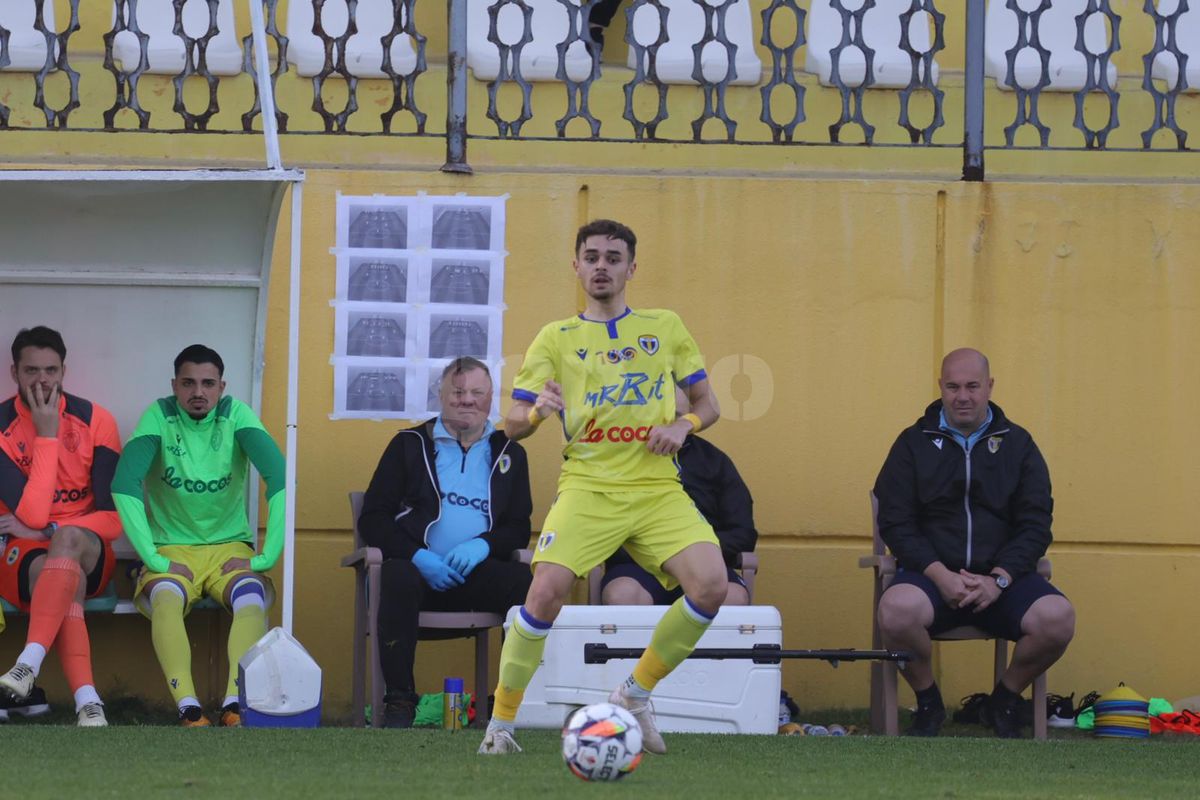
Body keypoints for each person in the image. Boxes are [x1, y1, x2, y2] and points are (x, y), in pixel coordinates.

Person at [478, 218, 726, 756]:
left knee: (711, 585)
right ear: (576, 266)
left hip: (656, 488)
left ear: (631, 268)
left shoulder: (665, 326)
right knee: (543, 594)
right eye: (591, 257)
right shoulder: (556, 337)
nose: (601, 266)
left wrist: (684, 426)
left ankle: (635, 693)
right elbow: (513, 423)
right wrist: (539, 412)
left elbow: (709, 404)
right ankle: (500, 728)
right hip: (588, 485)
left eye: (613, 258)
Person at [873, 348, 1076, 738]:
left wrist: (998, 578)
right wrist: (940, 574)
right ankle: (929, 703)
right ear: (940, 388)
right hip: (930, 581)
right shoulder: (912, 444)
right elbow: (895, 522)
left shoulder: (1019, 445)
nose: (962, 396)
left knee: (1058, 618)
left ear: (989, 387)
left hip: (1003, 584)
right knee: (895, 612)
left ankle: (1003, 700)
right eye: (952, 386)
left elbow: (1036, 524)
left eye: (972, 386)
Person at [112, 344, 286, 727]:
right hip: (172, 549)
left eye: (208, 383)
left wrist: (264, 559)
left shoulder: (236, 414)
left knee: (251, 596)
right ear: (174, 385)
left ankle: (234, 704)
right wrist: (155, 560)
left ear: (222, 386)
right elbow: (124, 484)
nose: (198, 392)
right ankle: (188, 707)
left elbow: (279, 478)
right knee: (166, 597)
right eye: (188, 382)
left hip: (229, 548)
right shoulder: (159, 415)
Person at [358, 357, 533, 728]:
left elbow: (518, 527)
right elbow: (373, 518)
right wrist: (419, 556)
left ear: (490, 399)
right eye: (457, 391)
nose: (467, 400)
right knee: (398, 574)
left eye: (477, 392)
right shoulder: (408, 445)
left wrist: (483, 545)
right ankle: (400, 703)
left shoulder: (510, 453)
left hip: (476, 575)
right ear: (441, 396)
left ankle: (510, 701)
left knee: (527, 583)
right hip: (417, 578)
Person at [0, 326, 122, 727]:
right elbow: (30, 515)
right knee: (65, 577)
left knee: (68, 541)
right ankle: (89, 702)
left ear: (64, 371)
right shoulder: (1, 425)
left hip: (85, 547)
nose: (42, 380)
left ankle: (27, 662)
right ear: (14, 372)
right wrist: (47, 435)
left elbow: (111, 518)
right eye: (31, 371)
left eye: (50, 370)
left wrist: (50, 531)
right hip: (24, 554)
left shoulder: (96, 420)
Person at [601, 389, 756, 606]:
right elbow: (600, 526)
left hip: (706, 567)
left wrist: (693, 553)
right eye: (659, 416)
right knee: (623, 594)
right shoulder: (616, 459)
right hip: (638, 568)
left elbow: (742, 532)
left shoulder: (714, 462)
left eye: (677, 418)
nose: (668, 427)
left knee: (733, 598)